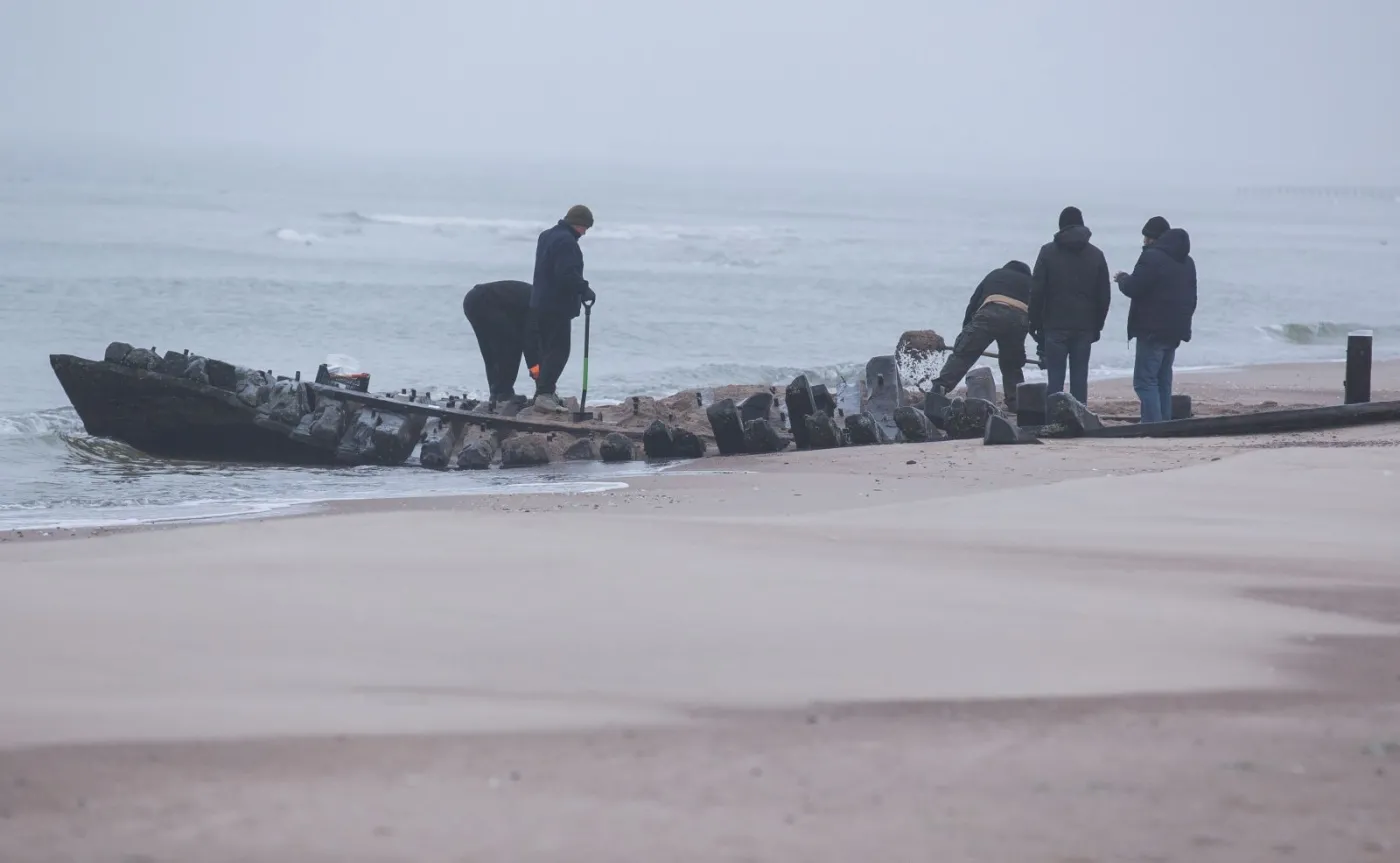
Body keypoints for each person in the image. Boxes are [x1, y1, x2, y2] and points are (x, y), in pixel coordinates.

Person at [1114, 219, 1197, 423]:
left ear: (1153, 238)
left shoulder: (1152, 257)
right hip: (1175, 329)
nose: (1144, 241)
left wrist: (1122, 278)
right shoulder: (1187, 262)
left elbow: (1135, 288)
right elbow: (1192, 297)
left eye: (1146, 237)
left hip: (1151, 330)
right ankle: (1163, 421)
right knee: (1162, 380)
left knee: (1144, 381)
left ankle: (1152, 424)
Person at [1028, 206, 1111, 405]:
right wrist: (1097, 326)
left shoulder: (1047, 252)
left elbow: (1037, 291)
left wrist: (1035, 323)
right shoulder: (1096, 255)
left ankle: (1054, 422)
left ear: (1061, 226)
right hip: (1084, 326)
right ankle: (1079, 420)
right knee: (1079, 379)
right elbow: (1104, 296)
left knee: (1055, 380)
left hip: (1054, 325)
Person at [931, 260, 1033, 410]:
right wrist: (1043, 350)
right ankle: (1015, 401)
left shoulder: (995, 274)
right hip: (1019, 319)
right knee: (1012, 364)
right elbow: (1039, 316)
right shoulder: (1031, 282)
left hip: (989, 313)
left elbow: (974, 303)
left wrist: (965, 333)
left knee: (963, 356)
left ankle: (937, 393)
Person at [529, 205, 597, 412]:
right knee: (559, 351)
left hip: (539, 302)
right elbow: (566, 274)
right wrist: (584, 289)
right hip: (556, 306)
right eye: (585, 228)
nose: (585, 233)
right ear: (579, 224)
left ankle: (544, 392)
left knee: (547, 350)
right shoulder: (567, 242)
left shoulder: (547, 236)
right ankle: (544, 394)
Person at [462, 279, 539, 408]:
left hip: (472, 300)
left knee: (490, 351)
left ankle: (496, 393)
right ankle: (503, 393)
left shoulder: (532, 297)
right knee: (512, 344)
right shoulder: (536, 306)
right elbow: (529, 342)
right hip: (485, 301)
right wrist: (536, 372)